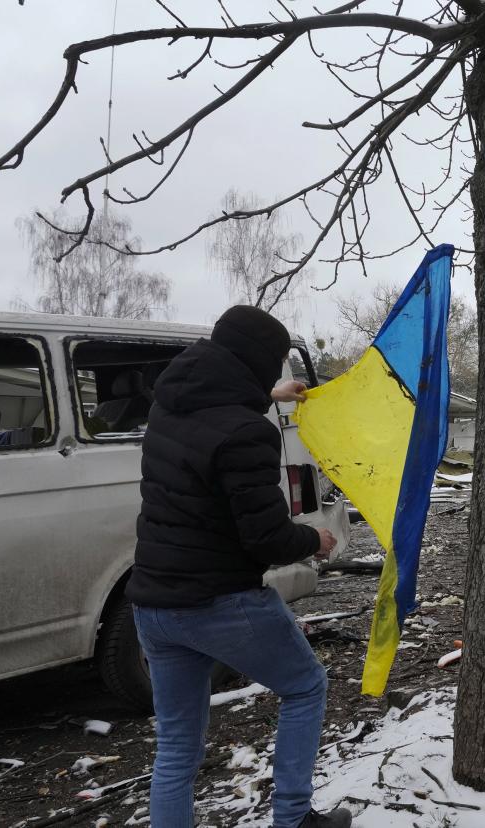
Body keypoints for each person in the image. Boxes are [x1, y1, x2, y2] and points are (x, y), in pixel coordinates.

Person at [126, 305, 350, 828]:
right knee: (305, 687)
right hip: (220, 602)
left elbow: (213, 415)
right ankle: (293, 819)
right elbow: (266, 538)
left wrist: (273, 398)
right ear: (259, 363)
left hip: (154, 606)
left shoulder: (168, 404)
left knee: (177, 747)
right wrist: (312, 539)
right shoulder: (248, 433)